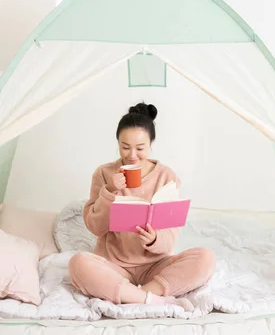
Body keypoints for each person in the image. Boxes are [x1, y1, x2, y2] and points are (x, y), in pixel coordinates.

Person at [68, 102, 216, 311]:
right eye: (125, 147)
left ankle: (138, 294)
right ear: (118, 143)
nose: (132, 156)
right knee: (78, 263)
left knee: (206, 258)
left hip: (156, 267)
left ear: (151, 144)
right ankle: (153, 300)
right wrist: (109, 191)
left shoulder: (167, 176)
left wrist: (154, 239)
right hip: (115, 266)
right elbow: (94, 227)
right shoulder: (104, 173)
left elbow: (170, 235)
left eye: (140, 148)